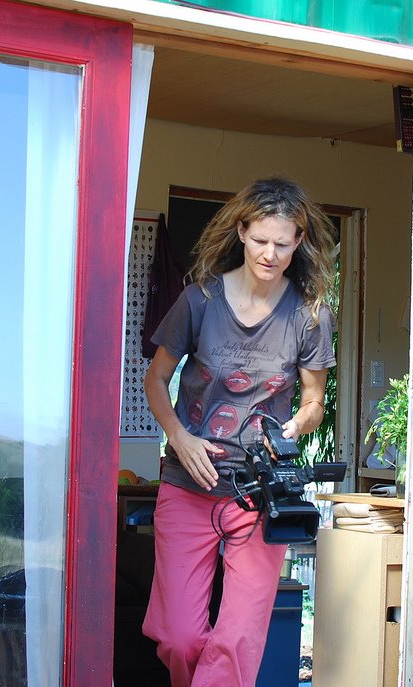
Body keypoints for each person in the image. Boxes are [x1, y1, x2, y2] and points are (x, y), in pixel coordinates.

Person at [142, 177, 337, 686]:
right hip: (189, 483)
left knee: (236, 639)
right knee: (180, 638)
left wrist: (296, 424)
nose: (270, 254)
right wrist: (179, 436)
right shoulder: (199, 300)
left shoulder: (310, 315)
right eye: (261, 240)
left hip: (260, 491)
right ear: (242, 231)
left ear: (299, 241)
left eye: (283, 243)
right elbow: (156, 379)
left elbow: (314, 402)